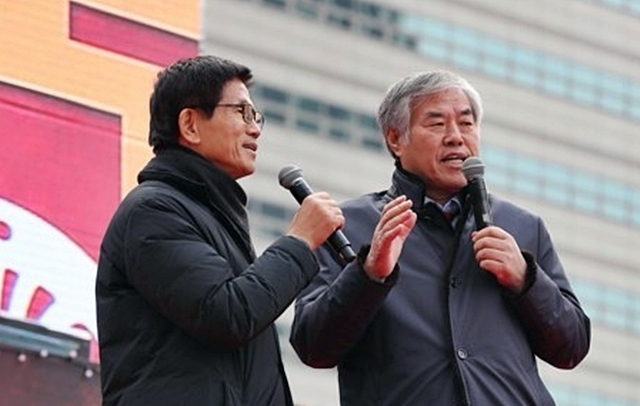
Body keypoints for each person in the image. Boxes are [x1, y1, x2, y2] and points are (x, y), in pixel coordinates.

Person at [289, 70, 591, 405]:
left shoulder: (522, 226)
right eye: (437, 124)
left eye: (466, 123)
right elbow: (313, 346)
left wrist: (525, 280)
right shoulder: (347, 226)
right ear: (395, 139)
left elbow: (572, 347)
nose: (456, 137)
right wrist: (368, 274)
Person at [95, 55, 349, 405]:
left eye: (256, 116)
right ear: (190, 125)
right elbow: (227, 314)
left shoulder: (212, 217)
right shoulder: (153, 211)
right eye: (241, 112)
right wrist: (300, 241)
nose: (255, 129)